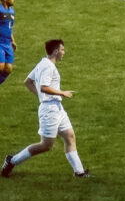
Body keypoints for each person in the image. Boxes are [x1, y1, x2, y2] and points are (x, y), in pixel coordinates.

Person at [1, 39, 91, 178]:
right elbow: (43, 87)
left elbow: (28, 82)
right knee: (45, 145)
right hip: (50, 111)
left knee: (69, 136)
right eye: (62, 50)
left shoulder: (43, 63)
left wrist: (41, 97)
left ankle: (79, 172)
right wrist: (61, 93)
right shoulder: (48, 67)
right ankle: (12, 161)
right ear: (56, 51)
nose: (63, 52)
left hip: (57, 108)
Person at [0, 0, 16, 87]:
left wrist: (13, 41)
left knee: (8, 69)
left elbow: (10, 27)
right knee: (1, 67)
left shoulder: (12, 12)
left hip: (7, 44)